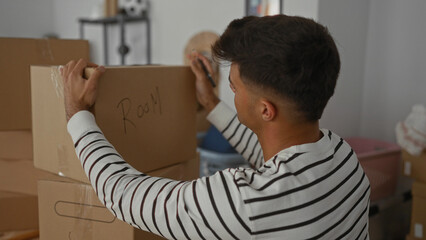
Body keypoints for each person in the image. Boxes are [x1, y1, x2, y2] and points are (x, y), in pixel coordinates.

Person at [62, 14, 370, 239]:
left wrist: (77, 114)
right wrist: (211, 103)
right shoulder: (343, 157)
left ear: (266, 110)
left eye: (234, 89)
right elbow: (271, 154)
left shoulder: (247, 203)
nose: (232, 94)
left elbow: (124, 195)